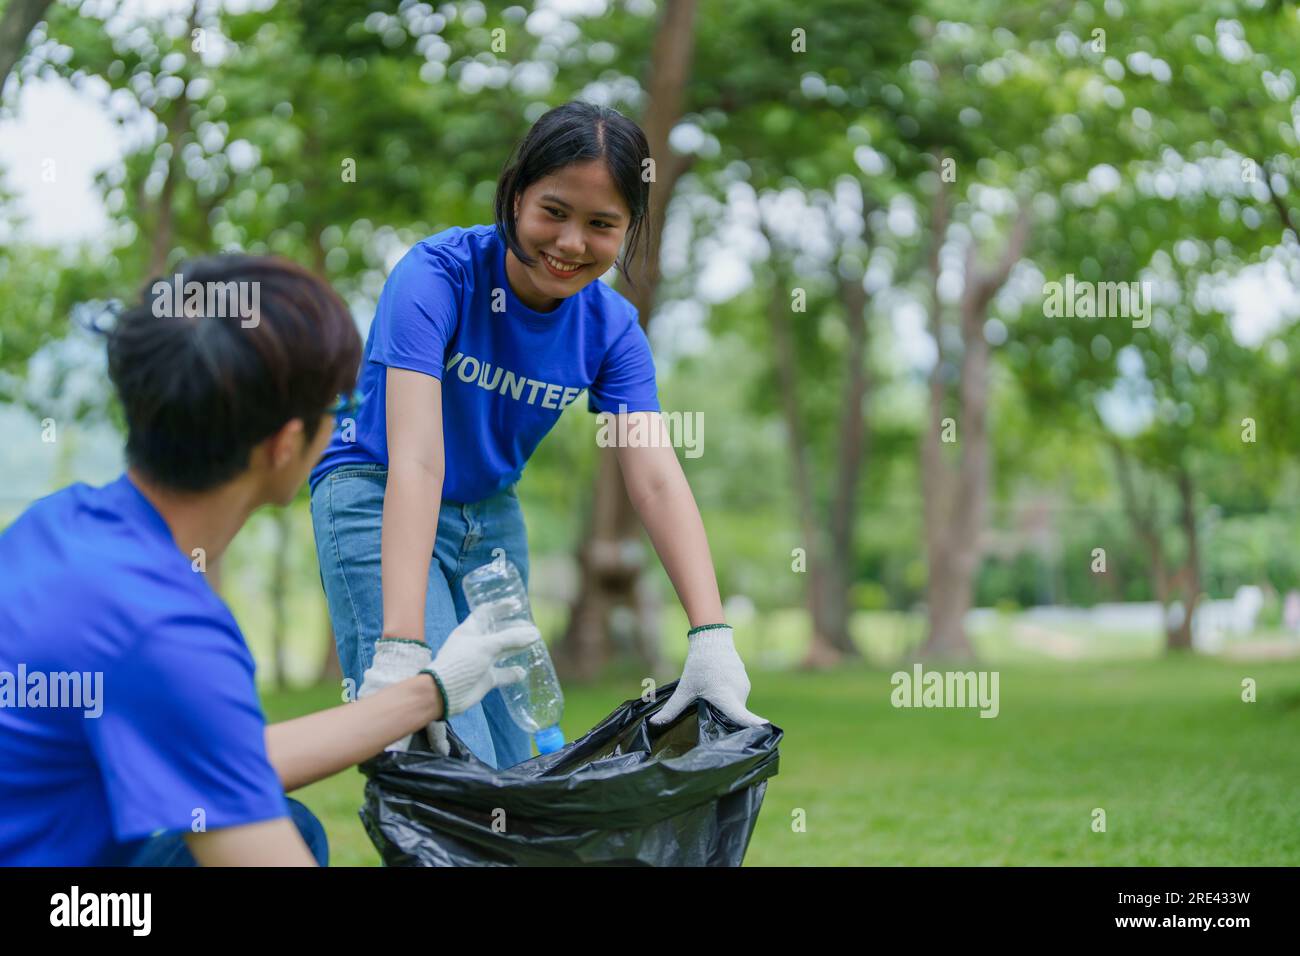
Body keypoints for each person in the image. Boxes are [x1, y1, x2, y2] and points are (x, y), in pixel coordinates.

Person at [0, 256, 538, 866]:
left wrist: (430, 692)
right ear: (285, 443)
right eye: (342, 405)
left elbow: (215, 751)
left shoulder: (54, 525)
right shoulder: (164, 630)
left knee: (291, 821)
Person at [308, 100, 767, 771]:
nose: (572, 243)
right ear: (515, 194)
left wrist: (711, 636)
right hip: (379, 491)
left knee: (516, 761)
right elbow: (416, 460)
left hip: (491, 517)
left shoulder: (611, 329)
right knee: (443, 740)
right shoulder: (436, 278)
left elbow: (657, 478)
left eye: (602, 224)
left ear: (629, 227)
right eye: (554, 211)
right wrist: (403, 645)